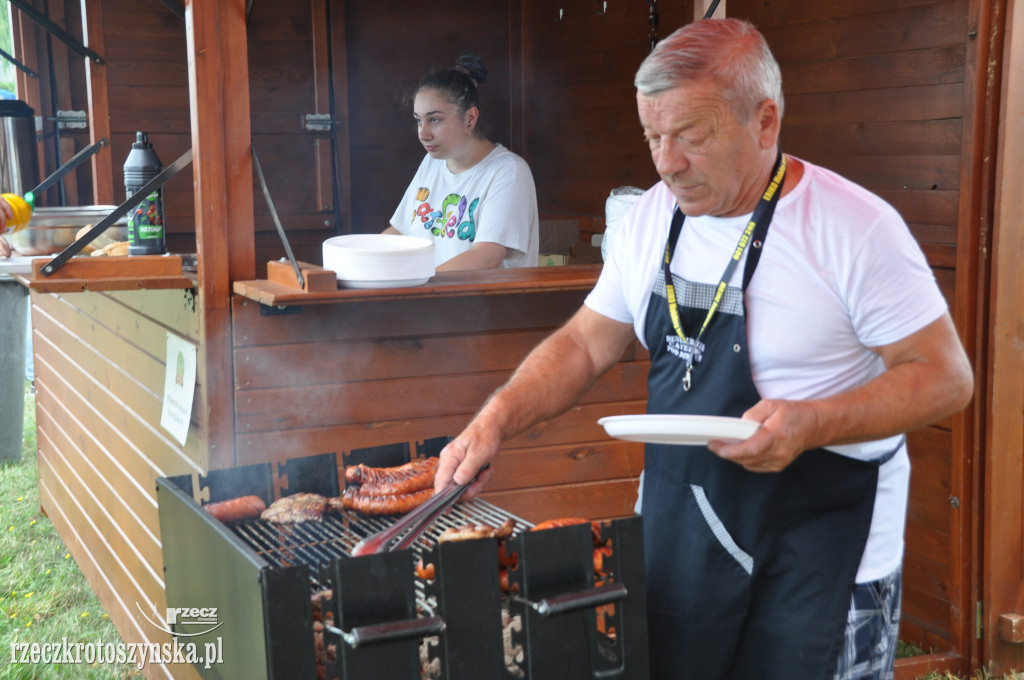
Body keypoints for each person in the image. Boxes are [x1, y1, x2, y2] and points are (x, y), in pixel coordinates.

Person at [434, 18, 974, 680]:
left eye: (691, 137)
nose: (666, 162)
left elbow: (945, 378)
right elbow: (583, 343)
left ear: (765, 122)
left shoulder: (855, 230)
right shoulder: (648, 220)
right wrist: (494, 420)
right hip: (682, 543)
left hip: (822, 553)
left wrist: (811, 423)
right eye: (653, 137)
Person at [385, 54, 539, 271]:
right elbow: (400, 231)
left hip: (487, 305)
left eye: (434, 120)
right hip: (429, 300)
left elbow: (486, 257)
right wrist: (361, 258)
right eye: (419, 120)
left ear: (470, 118)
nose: (423, 133)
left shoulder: (508, 171)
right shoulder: (432, 163)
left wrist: (416, 282)